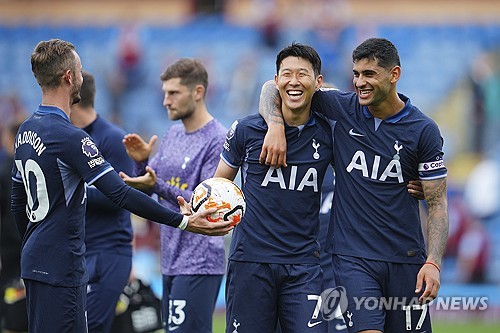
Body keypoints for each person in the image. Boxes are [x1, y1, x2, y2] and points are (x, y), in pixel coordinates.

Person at [10, 38, 232, 333]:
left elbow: (17, 203)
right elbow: (120, 193)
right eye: (79, 70)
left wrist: (32, 246)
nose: (81, 75)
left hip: (35, 259)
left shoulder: (26, 129)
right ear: (69, 77)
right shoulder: (70, 137)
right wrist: (183, 221)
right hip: (63, 264)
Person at [259, 37, 449, 333]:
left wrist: (433, 262)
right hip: (353, 258)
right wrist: (275, 125)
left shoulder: (423, 131)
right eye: (356, 74)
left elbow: (437, 204)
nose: (360, 82)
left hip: (406, 258)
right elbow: (272, 87)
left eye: (370, 74)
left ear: (394, 75)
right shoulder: (341, 107)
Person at [209, 42, 333, 332]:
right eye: (286, 74)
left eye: (302, 74)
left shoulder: (329, 133)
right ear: (276, 81)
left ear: (318, 83)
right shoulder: (245, 129)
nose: (293, 81)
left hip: (304, 265)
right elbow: (218, 185)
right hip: (251, 262)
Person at [119, 58, 227, 333]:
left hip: (200, 261)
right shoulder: (172, 134)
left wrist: (158, 185)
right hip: (169, 258)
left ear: (198, 92)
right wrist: (141, 163)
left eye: (174, 93)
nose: (165, 100)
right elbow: (149, 184)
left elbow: (207, 203)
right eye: (165, 93)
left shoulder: (218, 139)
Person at [69, 71, 134, 333]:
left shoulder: (111, 139)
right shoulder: (68, 138)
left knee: (92, 326)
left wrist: (70, 191)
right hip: (80, 250)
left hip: (109, 250)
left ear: (73, 97)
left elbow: (120, 196)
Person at [0, 118, 28, 333]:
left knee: (12, 314)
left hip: (10, 253)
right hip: (38, 250)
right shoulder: (42, 169)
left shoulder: (4, 172)